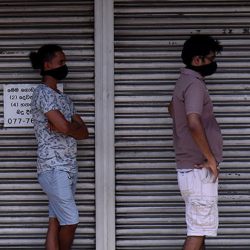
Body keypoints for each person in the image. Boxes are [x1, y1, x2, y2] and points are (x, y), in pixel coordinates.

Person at [30, 44, 89, 250]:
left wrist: (66, 127)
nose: (65, 66)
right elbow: (68, 126)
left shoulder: (64, 99)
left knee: (55, 222)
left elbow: (84, 132)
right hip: (53, 168)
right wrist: (69, 126)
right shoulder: (43, 93)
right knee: (71, 221)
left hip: (68, 167)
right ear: (47, 65)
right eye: (61, 62)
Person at [168, 34, 223, 250]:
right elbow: (193, 122)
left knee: (200, 230)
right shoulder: (194, 84)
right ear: (197, 60)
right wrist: (210, 159)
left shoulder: (183, 82)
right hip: (198, 170)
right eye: (211, 58)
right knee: (197, 233)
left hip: (190, 170)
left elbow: (172, 109)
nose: (214, 63)